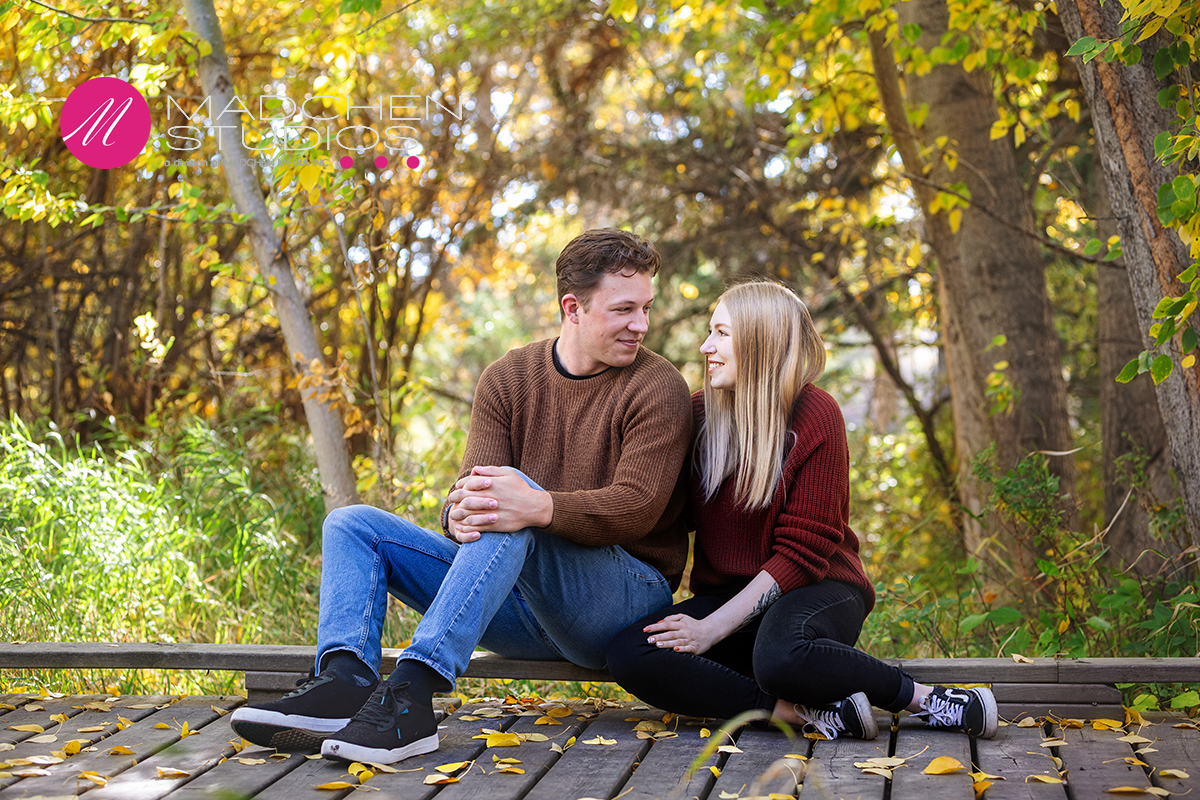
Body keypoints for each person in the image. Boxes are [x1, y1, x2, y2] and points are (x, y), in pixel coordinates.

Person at [229, 228, 693, 763]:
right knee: (352, 525)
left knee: (512, 507)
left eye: (646, 308)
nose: (641, 325)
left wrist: (535, 506)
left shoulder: (657, 385)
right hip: (518, 604)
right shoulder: (507, 379)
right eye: (624, 310)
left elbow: (637, 507)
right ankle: (344, 682)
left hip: (621, 607)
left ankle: (412, 695)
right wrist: (457, 516)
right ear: (573, 308)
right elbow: (469, 492)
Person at [605, 281, 998, 740]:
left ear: (761, 342)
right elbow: (663, 513)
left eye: (722, 333)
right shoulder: (700, 413)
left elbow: (801, 554)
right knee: (630, 652)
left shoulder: (816, 413)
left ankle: (929, 701)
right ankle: (803, 714)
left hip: (819, 587)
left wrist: (711, 628)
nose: (706, 346)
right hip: (730, 595)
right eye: (710, 332)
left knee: (780, 657)